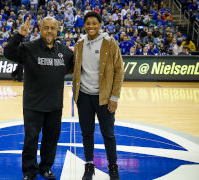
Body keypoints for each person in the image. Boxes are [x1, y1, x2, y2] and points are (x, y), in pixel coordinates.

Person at [4, 17, 73, 180]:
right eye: (46, 28)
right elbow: (8, 53)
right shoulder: (28, 48)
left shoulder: (65, 52)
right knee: (31, 140)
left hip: (55, 105)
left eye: (53, 28)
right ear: (40, 29)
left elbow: (77, 67)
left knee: (51, 140)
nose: (50, 31)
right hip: (33, 104)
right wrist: (19, 35)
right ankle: (29, 171)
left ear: (57, 30)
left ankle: (46, 167)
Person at [72, 12, 124, 180]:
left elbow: (119, 70)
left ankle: (113, 166)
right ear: (84, 25)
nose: (91, 26)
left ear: (100, 24)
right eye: (88, 23)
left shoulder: (109, 43)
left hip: (104, 97)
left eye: (94, 23)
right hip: (84, 97)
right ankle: (89, 164)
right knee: (87, 133)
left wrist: (114, 97)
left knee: (108, 134)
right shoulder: (80, 43)